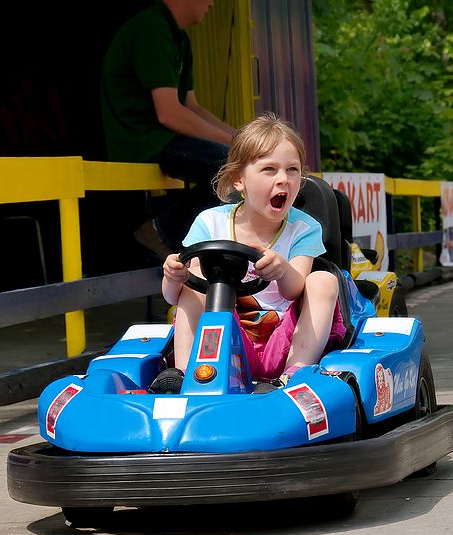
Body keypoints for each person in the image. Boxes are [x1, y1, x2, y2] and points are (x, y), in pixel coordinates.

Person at [155, 113, 346, 393]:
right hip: (224, 337)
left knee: (322, 281)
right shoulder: (210, 223)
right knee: (194, 277)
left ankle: (297, 373)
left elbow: (294, 290)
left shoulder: (303, 228)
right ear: (238, 180)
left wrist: (281, 270)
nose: (283, 180)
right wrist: (173, 276)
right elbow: (173, 297)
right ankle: (185, 374)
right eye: (269, 170)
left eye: (292, 170)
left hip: (286, 336)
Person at [100, 0, 237, 259]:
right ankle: (160, 231)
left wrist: (242, 139)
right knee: (226, 165)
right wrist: (234, 143)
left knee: (235, 161)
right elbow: (169, 113)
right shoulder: (152, 29)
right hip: (142, 140)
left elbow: (192, 107)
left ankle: (179, 237)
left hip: (166, 138)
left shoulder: (179, 38)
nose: (212, 2)